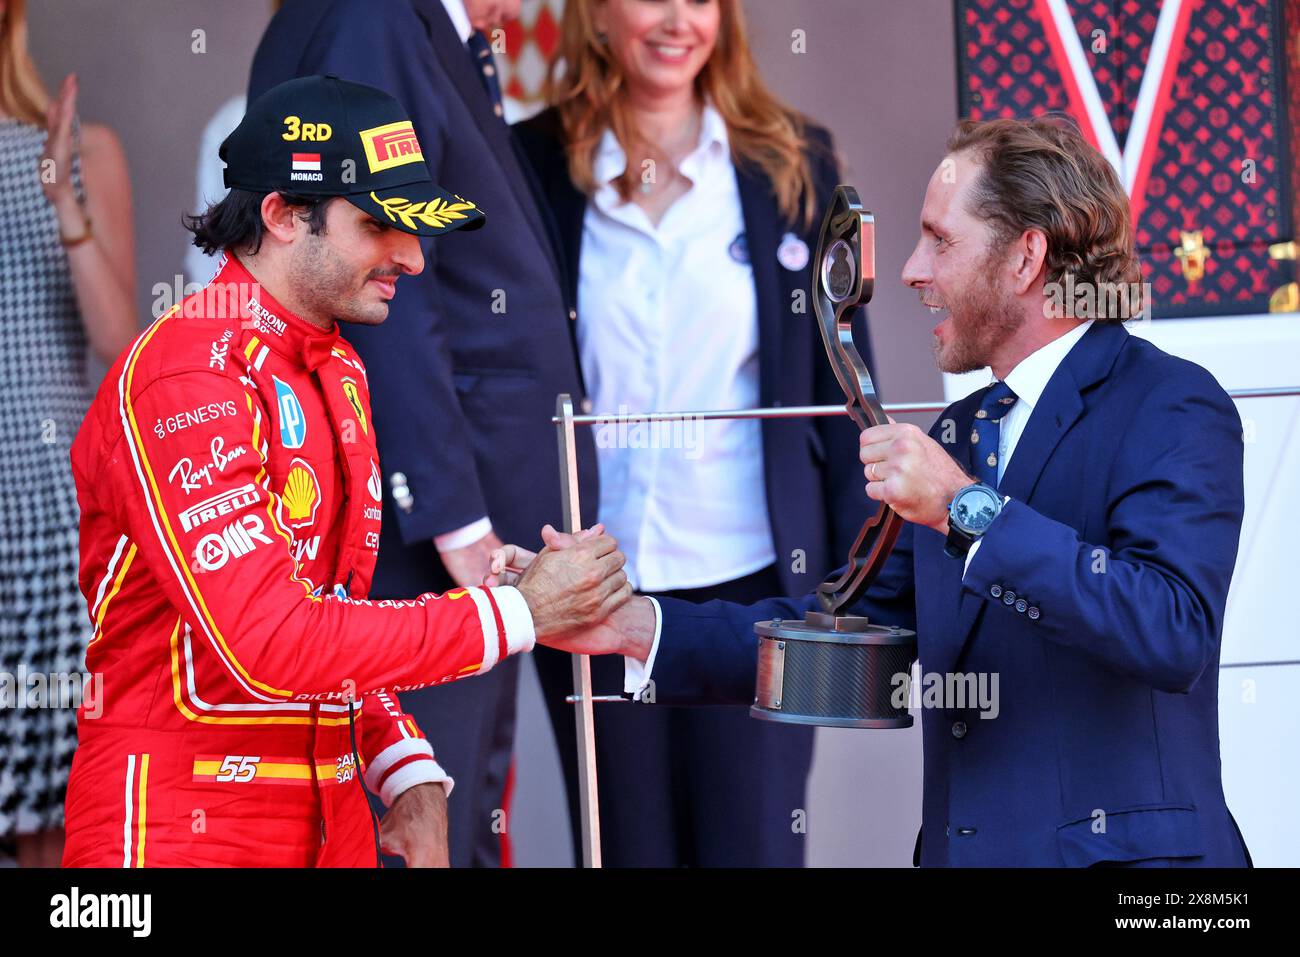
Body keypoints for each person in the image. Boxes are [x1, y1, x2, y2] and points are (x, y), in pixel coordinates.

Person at [523, 116, 1254, 867]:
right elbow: (856, 648)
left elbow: (1172, 631)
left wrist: (967, 512)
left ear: (1026, 257)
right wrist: (633, 627)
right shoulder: (962, 432)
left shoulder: (1169, 401)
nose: (910, 269)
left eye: (940, 240)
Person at [62, 75, 628, 868]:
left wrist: (406, 768)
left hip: (326, 823)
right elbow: (271, 636)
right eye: (379, 225)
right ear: (285, 215)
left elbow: (332, 622)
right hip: (176, 826)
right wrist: (515, 612)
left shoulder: (336, 366)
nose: (413, 257)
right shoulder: (186, 371)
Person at [512, 0, 869, 867]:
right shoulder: (530, 162)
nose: (678, 19)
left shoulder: (795, 159)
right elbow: (500, 372)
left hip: (759, 584)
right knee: (624, 847)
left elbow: (846, 384)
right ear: (595, 14)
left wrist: (859, 584)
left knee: (755, 844)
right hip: (591, 581)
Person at [249, 0, 598, 868]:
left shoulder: (428, 30)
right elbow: (374, 266)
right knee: (423, 817)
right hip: (431, 521)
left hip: (467, 504)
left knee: (461, 802)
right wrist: (454, 514)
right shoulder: (376, 19)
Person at [0, 0, 137, 866]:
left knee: (58, 820)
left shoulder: (87, 150)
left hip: (49, 523)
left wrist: (62, 198)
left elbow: (122, 341)